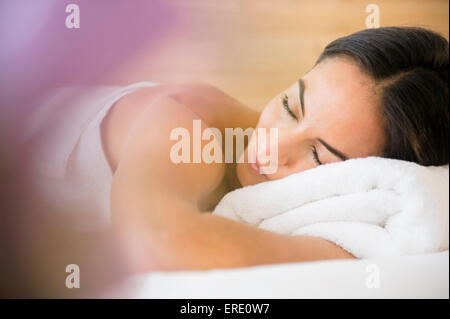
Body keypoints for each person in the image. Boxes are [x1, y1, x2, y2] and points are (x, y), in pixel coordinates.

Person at [24, 26, 450, 273]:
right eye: (290, 105)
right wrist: (338, 255)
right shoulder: (187, 129)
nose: (271, 147)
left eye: (319, 157)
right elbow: (155, 245)